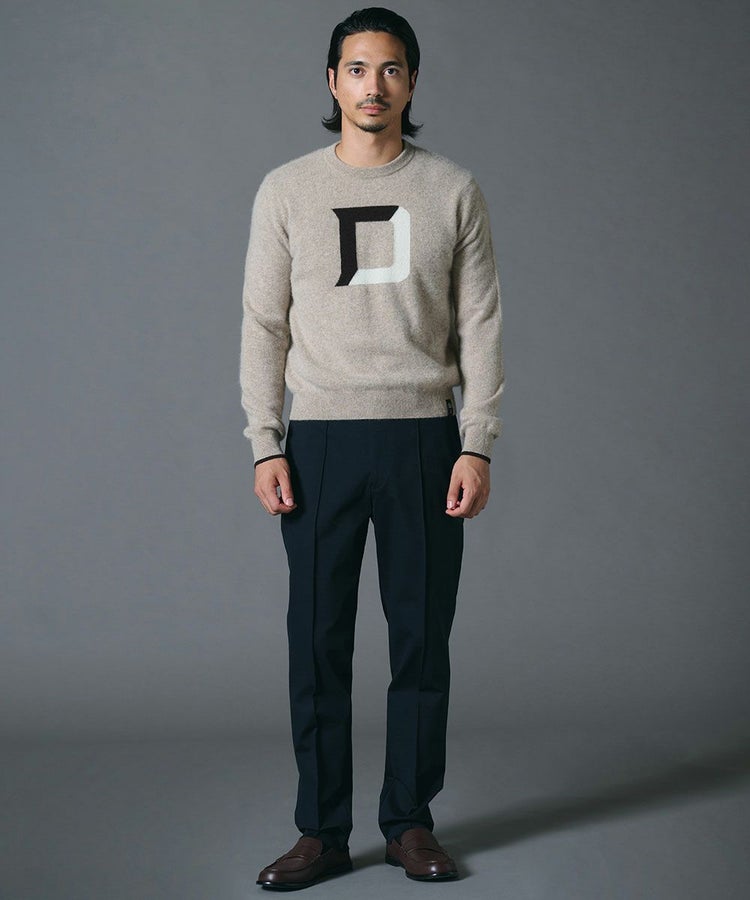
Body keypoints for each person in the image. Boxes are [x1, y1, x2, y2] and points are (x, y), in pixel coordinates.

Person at [239, 6, 504, 890]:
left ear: (413, 81)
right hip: (317, 443)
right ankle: (320, 832)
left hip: (426, 440)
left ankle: (409, 823)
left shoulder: (453, 189)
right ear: (331, 81)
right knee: (317, 643)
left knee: (421, 641)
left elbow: (481, 325)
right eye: (357, 69)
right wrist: (265, 442)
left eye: (391, 69)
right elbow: (263, 324)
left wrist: (477, 442)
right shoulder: (287, 190)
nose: (373, 86)